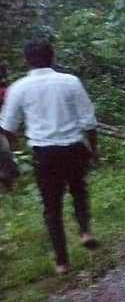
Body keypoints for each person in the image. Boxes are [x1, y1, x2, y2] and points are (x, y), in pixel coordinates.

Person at [0, 40, 100, 274]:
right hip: (73, 147)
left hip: (44, 152)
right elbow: (88, 121)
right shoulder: (70, 82)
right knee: (78, 190)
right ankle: (85, 232)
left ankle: (62, 261)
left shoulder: (19, 87)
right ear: (52, 57)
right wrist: (93, 149)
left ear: (27, 61)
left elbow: (8, 126)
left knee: (51, 206)